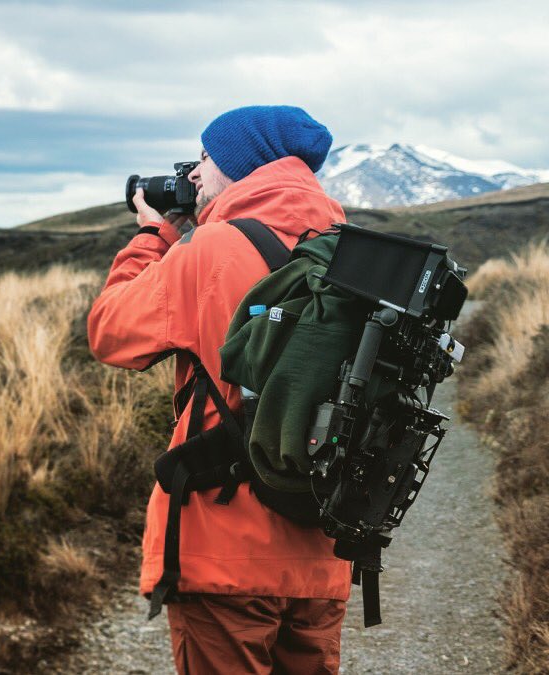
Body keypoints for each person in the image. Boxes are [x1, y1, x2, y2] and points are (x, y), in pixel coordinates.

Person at [87, 105, 352, 674]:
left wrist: (153, 235)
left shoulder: (210, 249)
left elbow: (110, 333)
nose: (193, 174)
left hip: (225, 544)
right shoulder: (350, 251)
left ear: (239, 163)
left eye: (205, 158)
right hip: (322, 548)